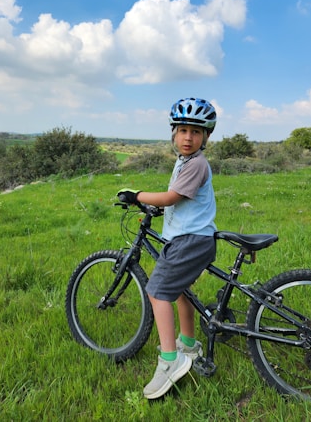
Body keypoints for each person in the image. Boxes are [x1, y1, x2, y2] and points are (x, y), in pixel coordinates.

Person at [118, 97, 217, 400]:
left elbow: (173, 196)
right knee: (180, 292)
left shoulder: (197, 163)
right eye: (183, 130)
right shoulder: (185, 161)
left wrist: (137, 196)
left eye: (196, 132)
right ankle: (188, 342)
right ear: (174, 133)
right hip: (194, 238)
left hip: (189, 241)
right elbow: (185, 200)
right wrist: (160, 208)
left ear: (206, 137)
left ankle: (170, 362)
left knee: (158, 291)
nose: (189, 137)